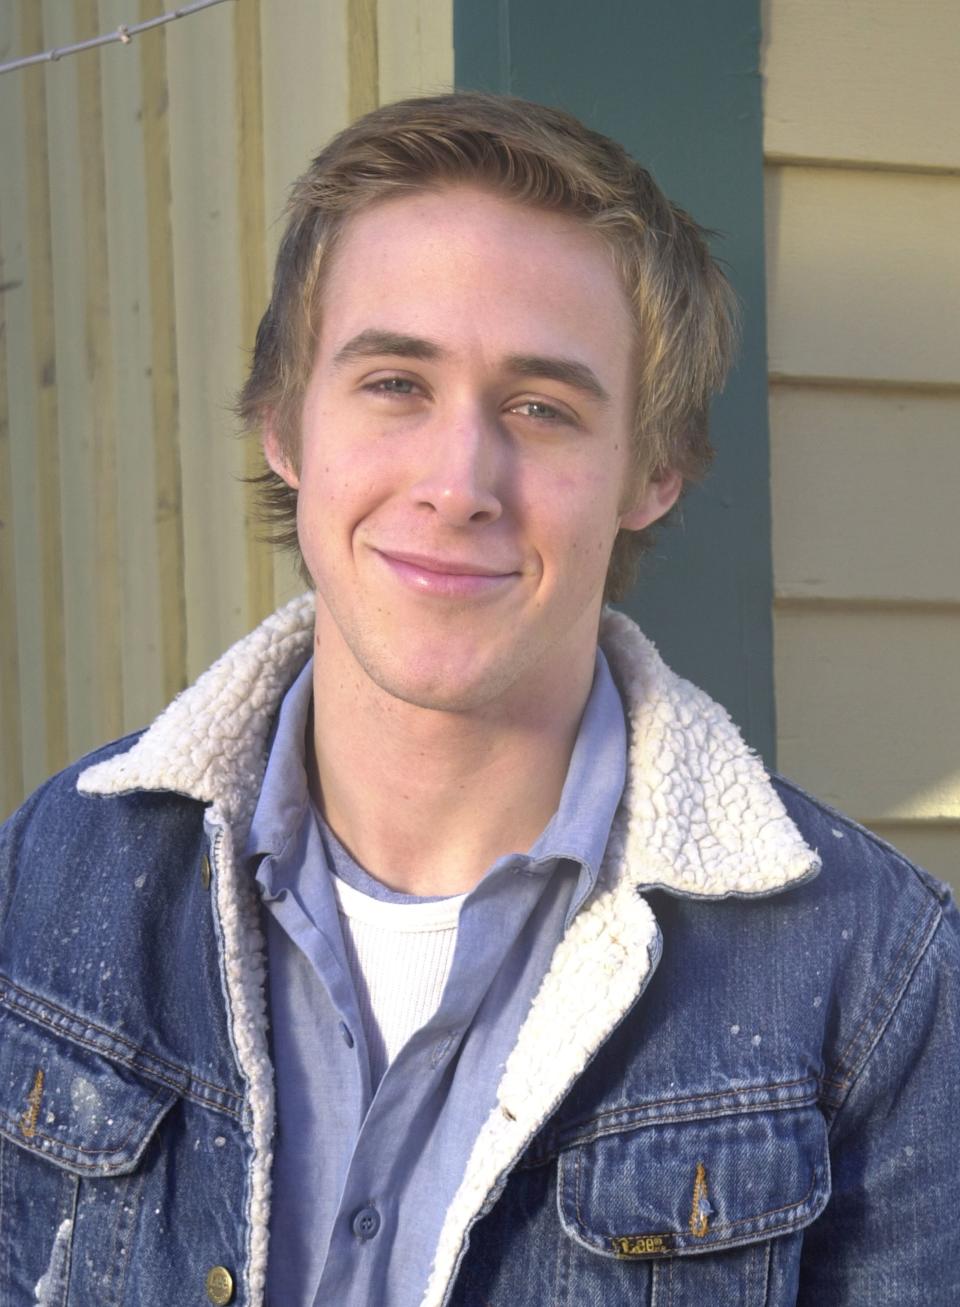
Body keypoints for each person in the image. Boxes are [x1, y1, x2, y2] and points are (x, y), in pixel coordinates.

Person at [0, 92, 957, 1307]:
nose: (459, 483)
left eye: (541, 408)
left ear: (652, 471)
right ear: (284, 423)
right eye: (395, 382)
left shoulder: (873, 981)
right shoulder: (56, 875)